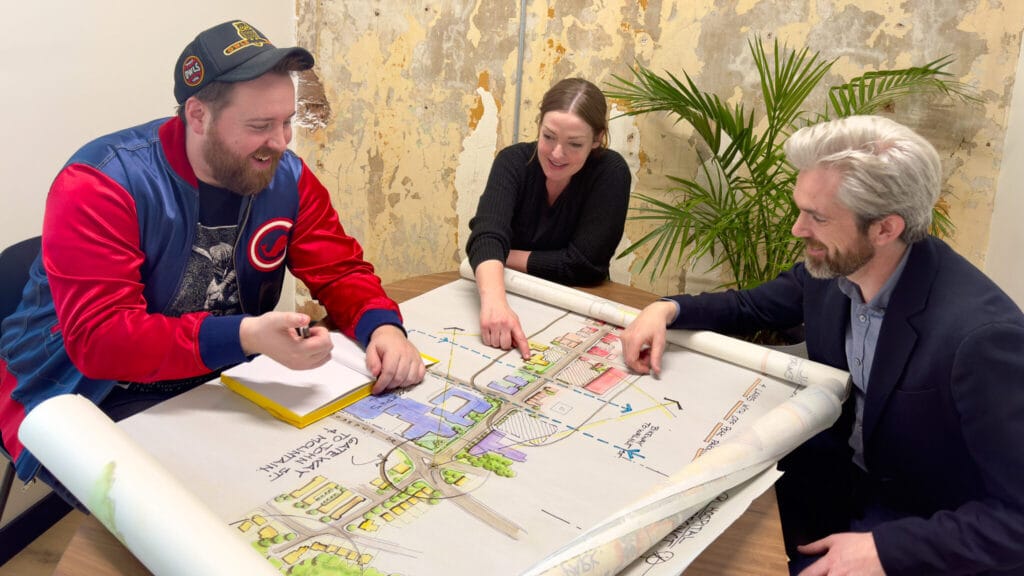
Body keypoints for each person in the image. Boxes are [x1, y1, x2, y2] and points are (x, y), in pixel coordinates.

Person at [0, 20, 425, 489]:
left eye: (287, 122)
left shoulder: (288, 177)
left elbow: (339, 269)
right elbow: (102, 341)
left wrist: (382, 325)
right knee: (188, 513)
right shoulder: (101, 183)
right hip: (80, 387)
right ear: (198, 116)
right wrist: (245, 335)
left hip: (212, 374)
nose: (282, 143)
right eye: (260, 126)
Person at [620, 116, 1024, 575]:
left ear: (886, 229)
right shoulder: (834, 272)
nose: (797, 229)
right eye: (800, 209)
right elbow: (750, 307)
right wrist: (666, 309)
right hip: (835, 477)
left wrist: (887, 551)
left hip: (920, 523)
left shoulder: (982, 338)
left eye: (817, 217)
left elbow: (1018, 519)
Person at [465, 77, 631, 359]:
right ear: (539, 125)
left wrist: (502, 254)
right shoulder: (512, 161)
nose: (557, 154)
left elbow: (584, 266)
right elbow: (485, 235)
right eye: (548, 136)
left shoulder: (611, 172)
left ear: (598, 138)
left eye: (574, 144)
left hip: (578, 305)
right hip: (511, 294)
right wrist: (494, 302)